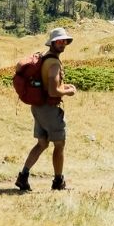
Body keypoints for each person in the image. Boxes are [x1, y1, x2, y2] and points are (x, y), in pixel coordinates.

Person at [15, 27, 76, 192]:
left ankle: (23, 176)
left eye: (65, 41)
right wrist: (69, 91)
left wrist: (64, 85)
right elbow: (53, 91)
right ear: (53, 43)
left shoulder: (44, 57)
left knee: (42, 143)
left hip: (37, 106)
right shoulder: (54, 63)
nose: (63, 44)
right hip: (49, 109)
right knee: (59, 143)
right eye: (60, 41)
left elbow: (49, 84)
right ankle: (58, 182)